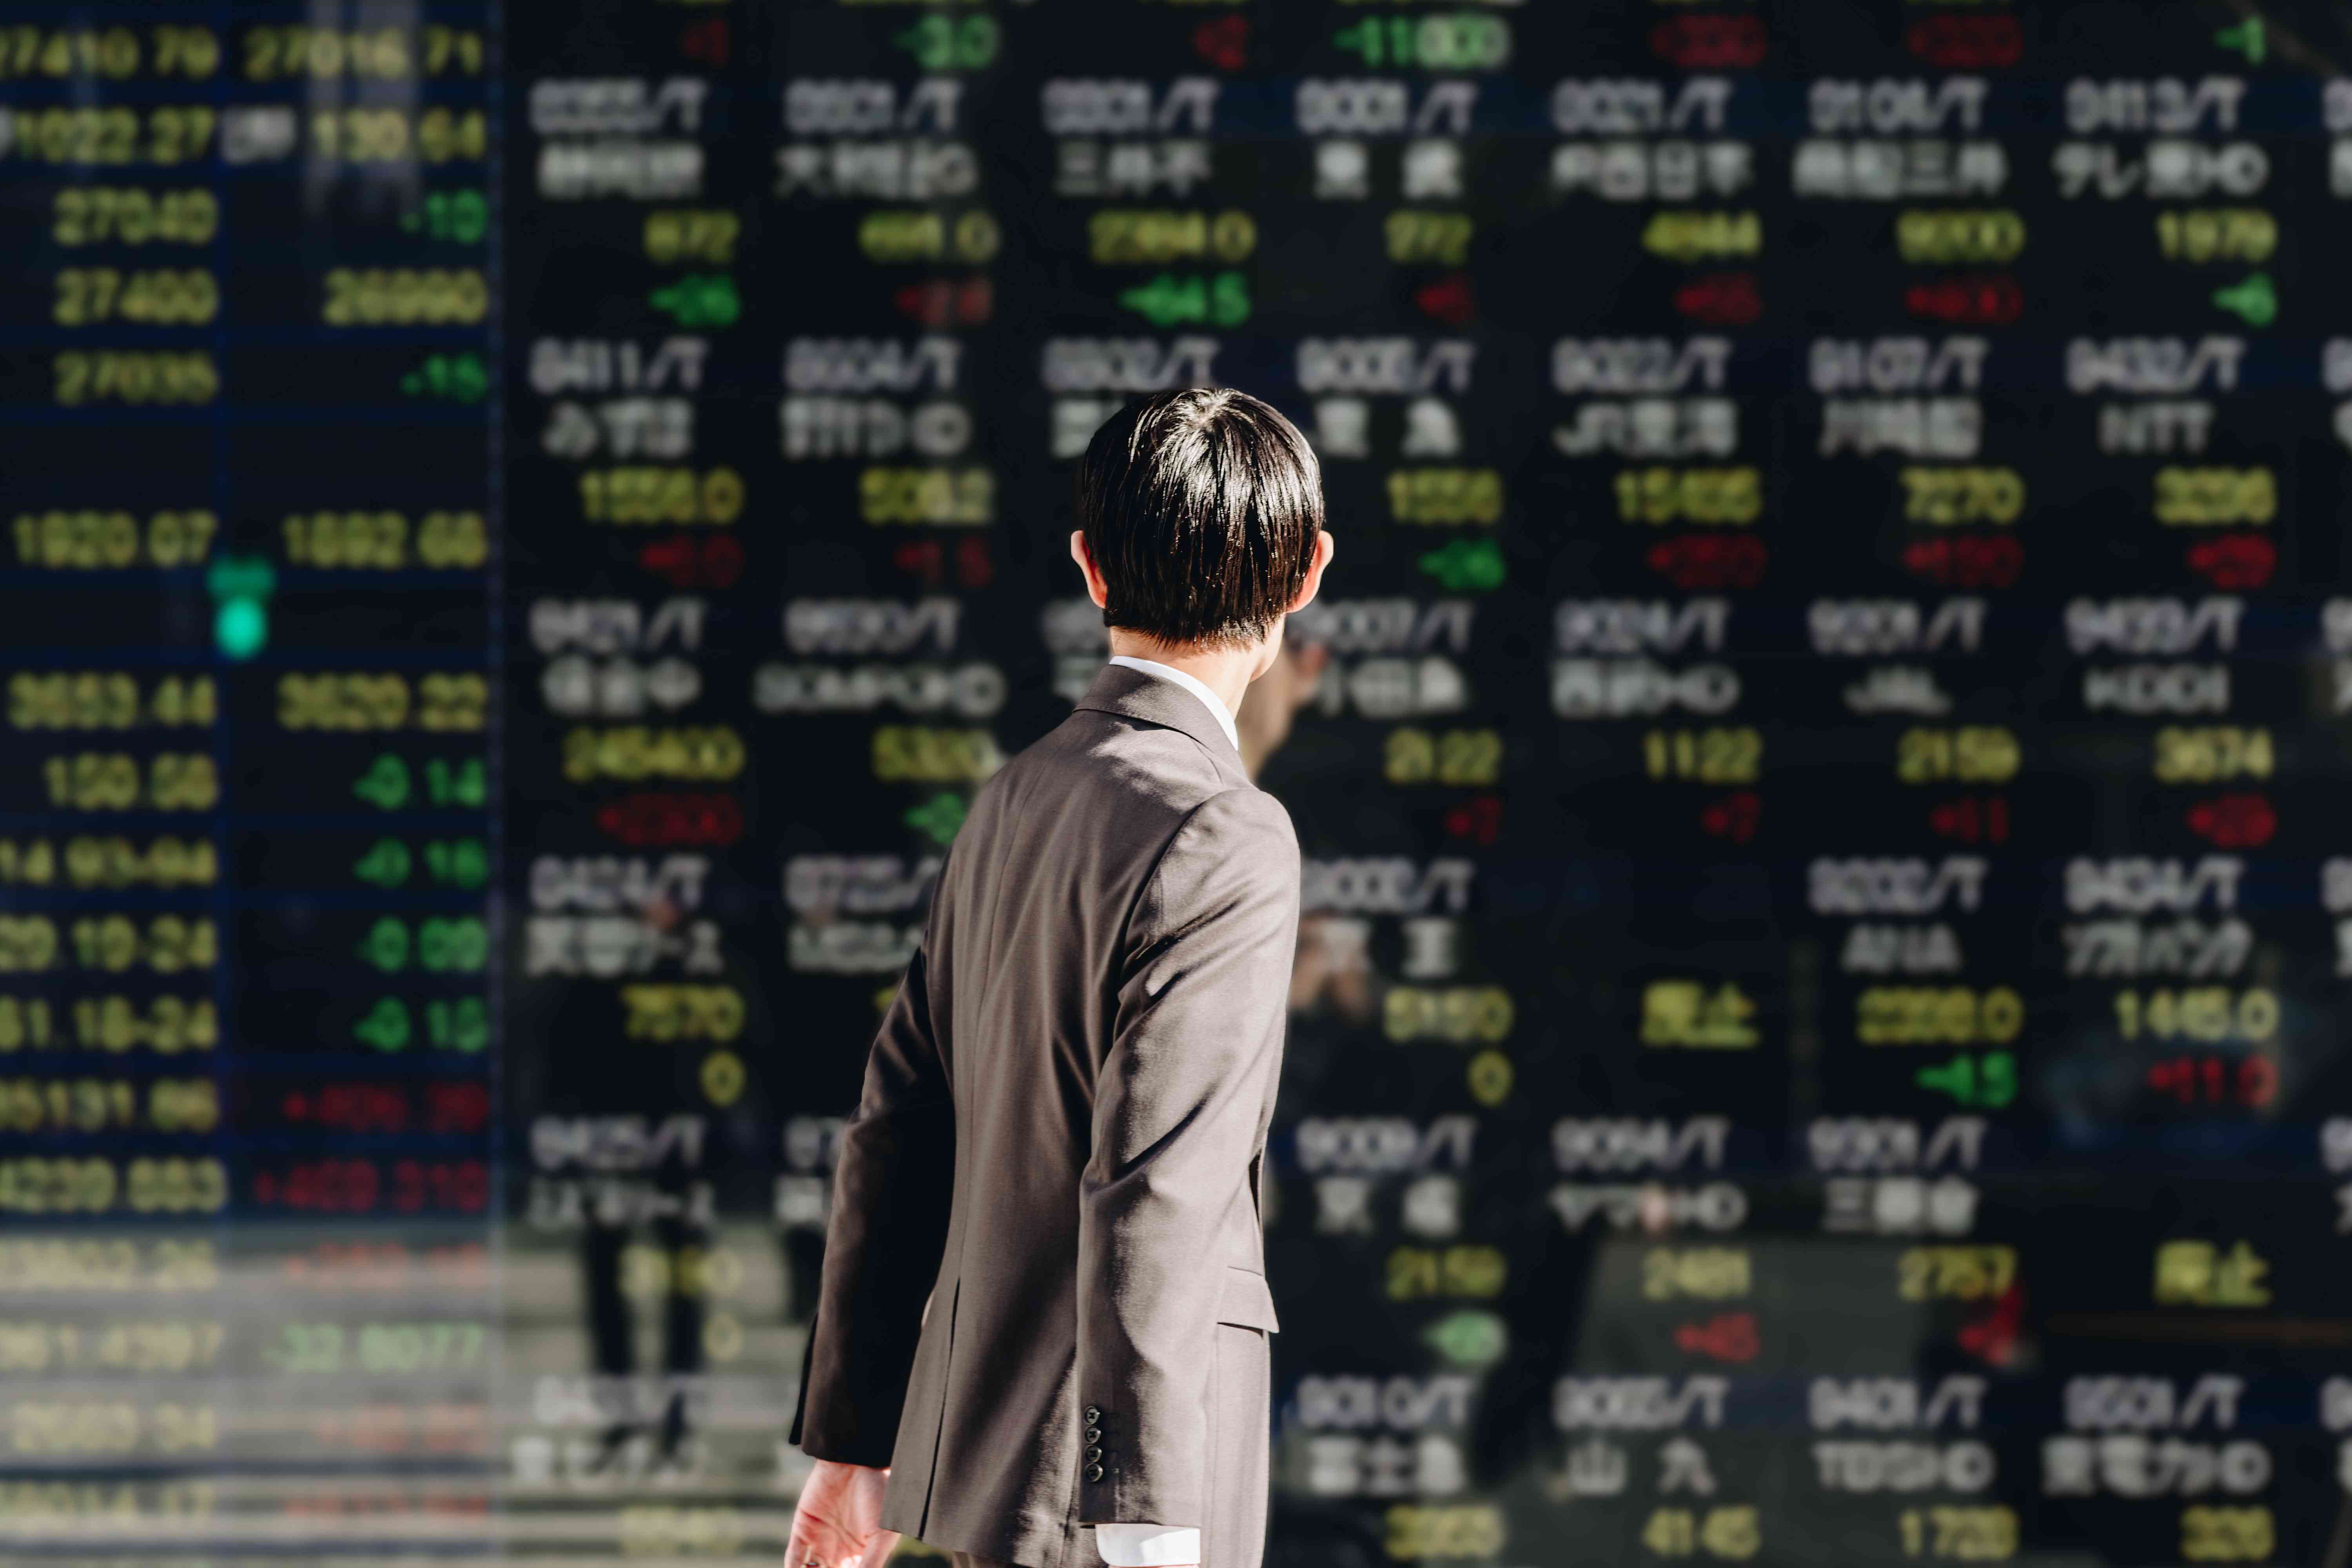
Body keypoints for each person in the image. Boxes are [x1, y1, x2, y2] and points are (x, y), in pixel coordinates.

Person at [785, 387, 1336, 1568]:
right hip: (1115, 1516)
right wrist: (1147, 1529)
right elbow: (1160, 1194)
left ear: (1090, 569)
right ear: (1307, 577)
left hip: (986, 1482)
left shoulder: (1012, 800)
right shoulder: (1229, 834)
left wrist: (855, 1445)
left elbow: (895, 1129)